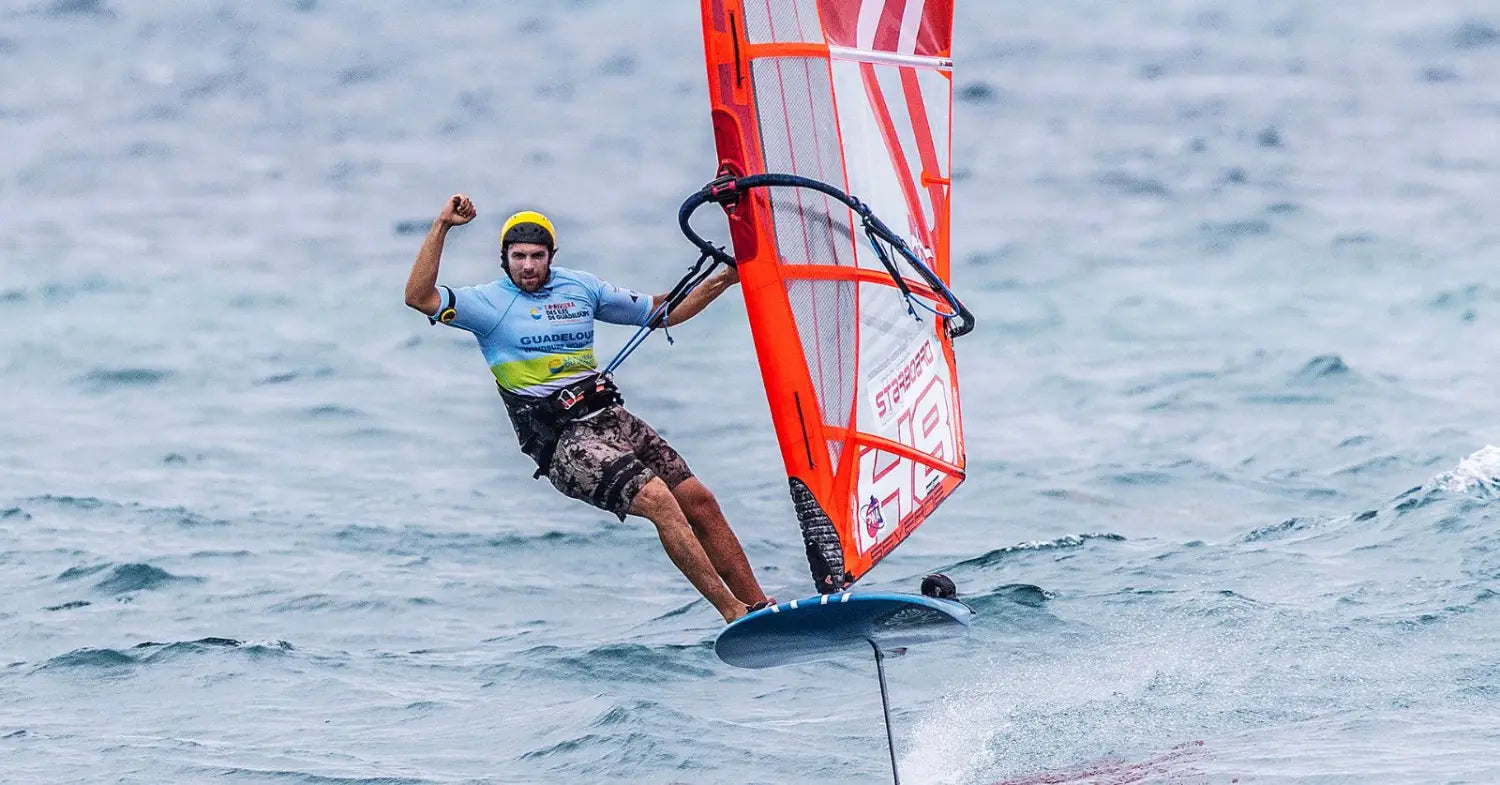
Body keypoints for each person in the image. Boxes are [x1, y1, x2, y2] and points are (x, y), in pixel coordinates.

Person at [404, 194, 771, 623]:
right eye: (518, 257)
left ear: (551, 256)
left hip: (611, 420)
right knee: (659, 500)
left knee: (700, 501)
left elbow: (662, 312)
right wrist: (442, 226)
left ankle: (763, 608)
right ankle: (734, 613)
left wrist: (726, 278)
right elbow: (418, 297)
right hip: (564, 444)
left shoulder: (580, 288)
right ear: (504, 259)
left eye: (537, 256)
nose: (527, 266)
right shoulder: (486, 304)